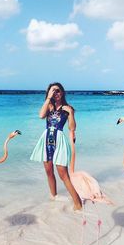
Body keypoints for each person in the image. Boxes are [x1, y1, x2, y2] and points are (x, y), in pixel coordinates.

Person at [30, 82, 82, 210]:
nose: (56, 93)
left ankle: (78, 204)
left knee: (63, 174)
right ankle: (54, 196)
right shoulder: (49, 106)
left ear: (62, 92)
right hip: (46, 139)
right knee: (48, 171)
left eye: (58, 90)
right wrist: (48, 98)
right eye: (53, 91)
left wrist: (71, 113)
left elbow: (72, 128)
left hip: (59, 140)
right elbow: (41, 116)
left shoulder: (68, 108)